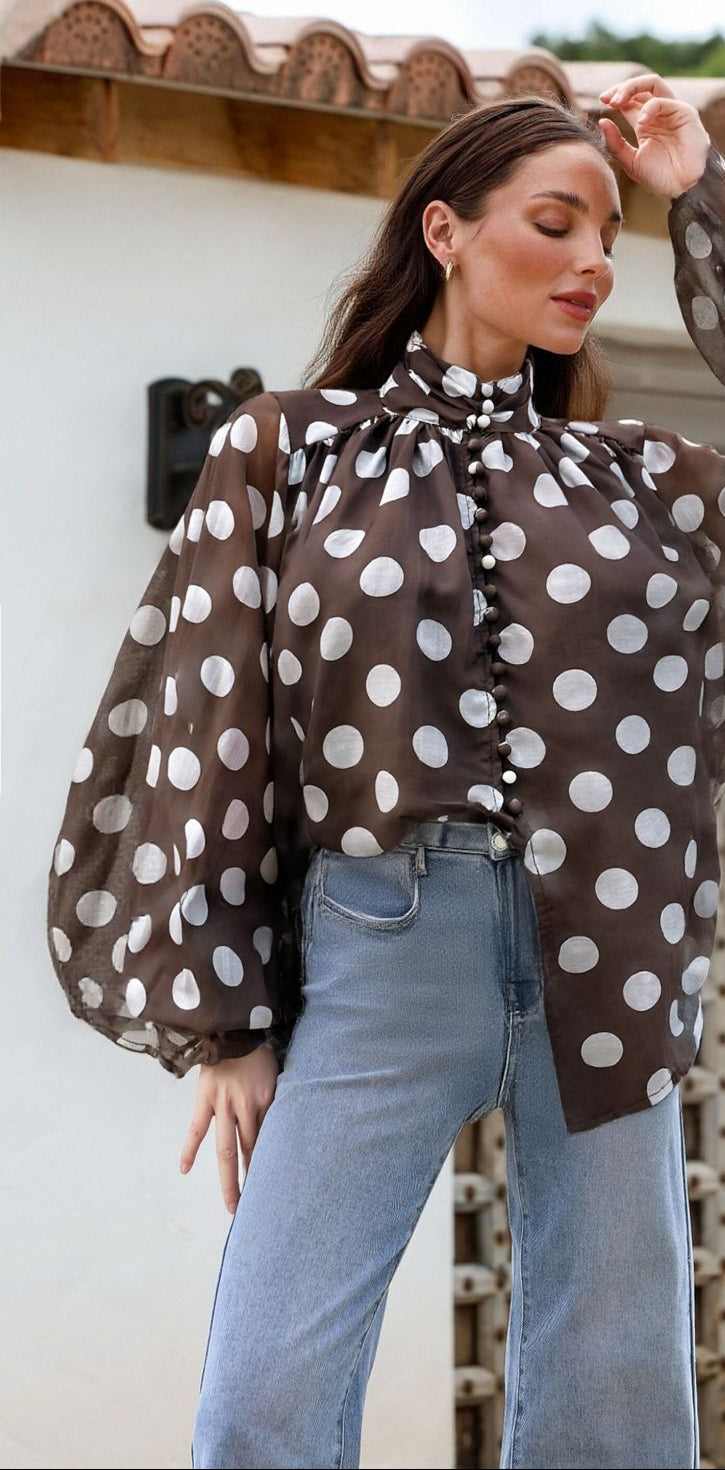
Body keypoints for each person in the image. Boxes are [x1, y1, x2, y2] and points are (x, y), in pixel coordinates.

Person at [45, 70, 725, 1467]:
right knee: (267, 1400)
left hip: (611, 946)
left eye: (614, 236)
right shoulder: (287, 448)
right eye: (556, 223)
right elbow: (208, 725)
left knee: (616, 1410)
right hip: (385, 936)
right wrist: (226, 1019)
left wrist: (699, 197)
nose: (596, 263)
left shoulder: (639, 481)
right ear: (444, 231)